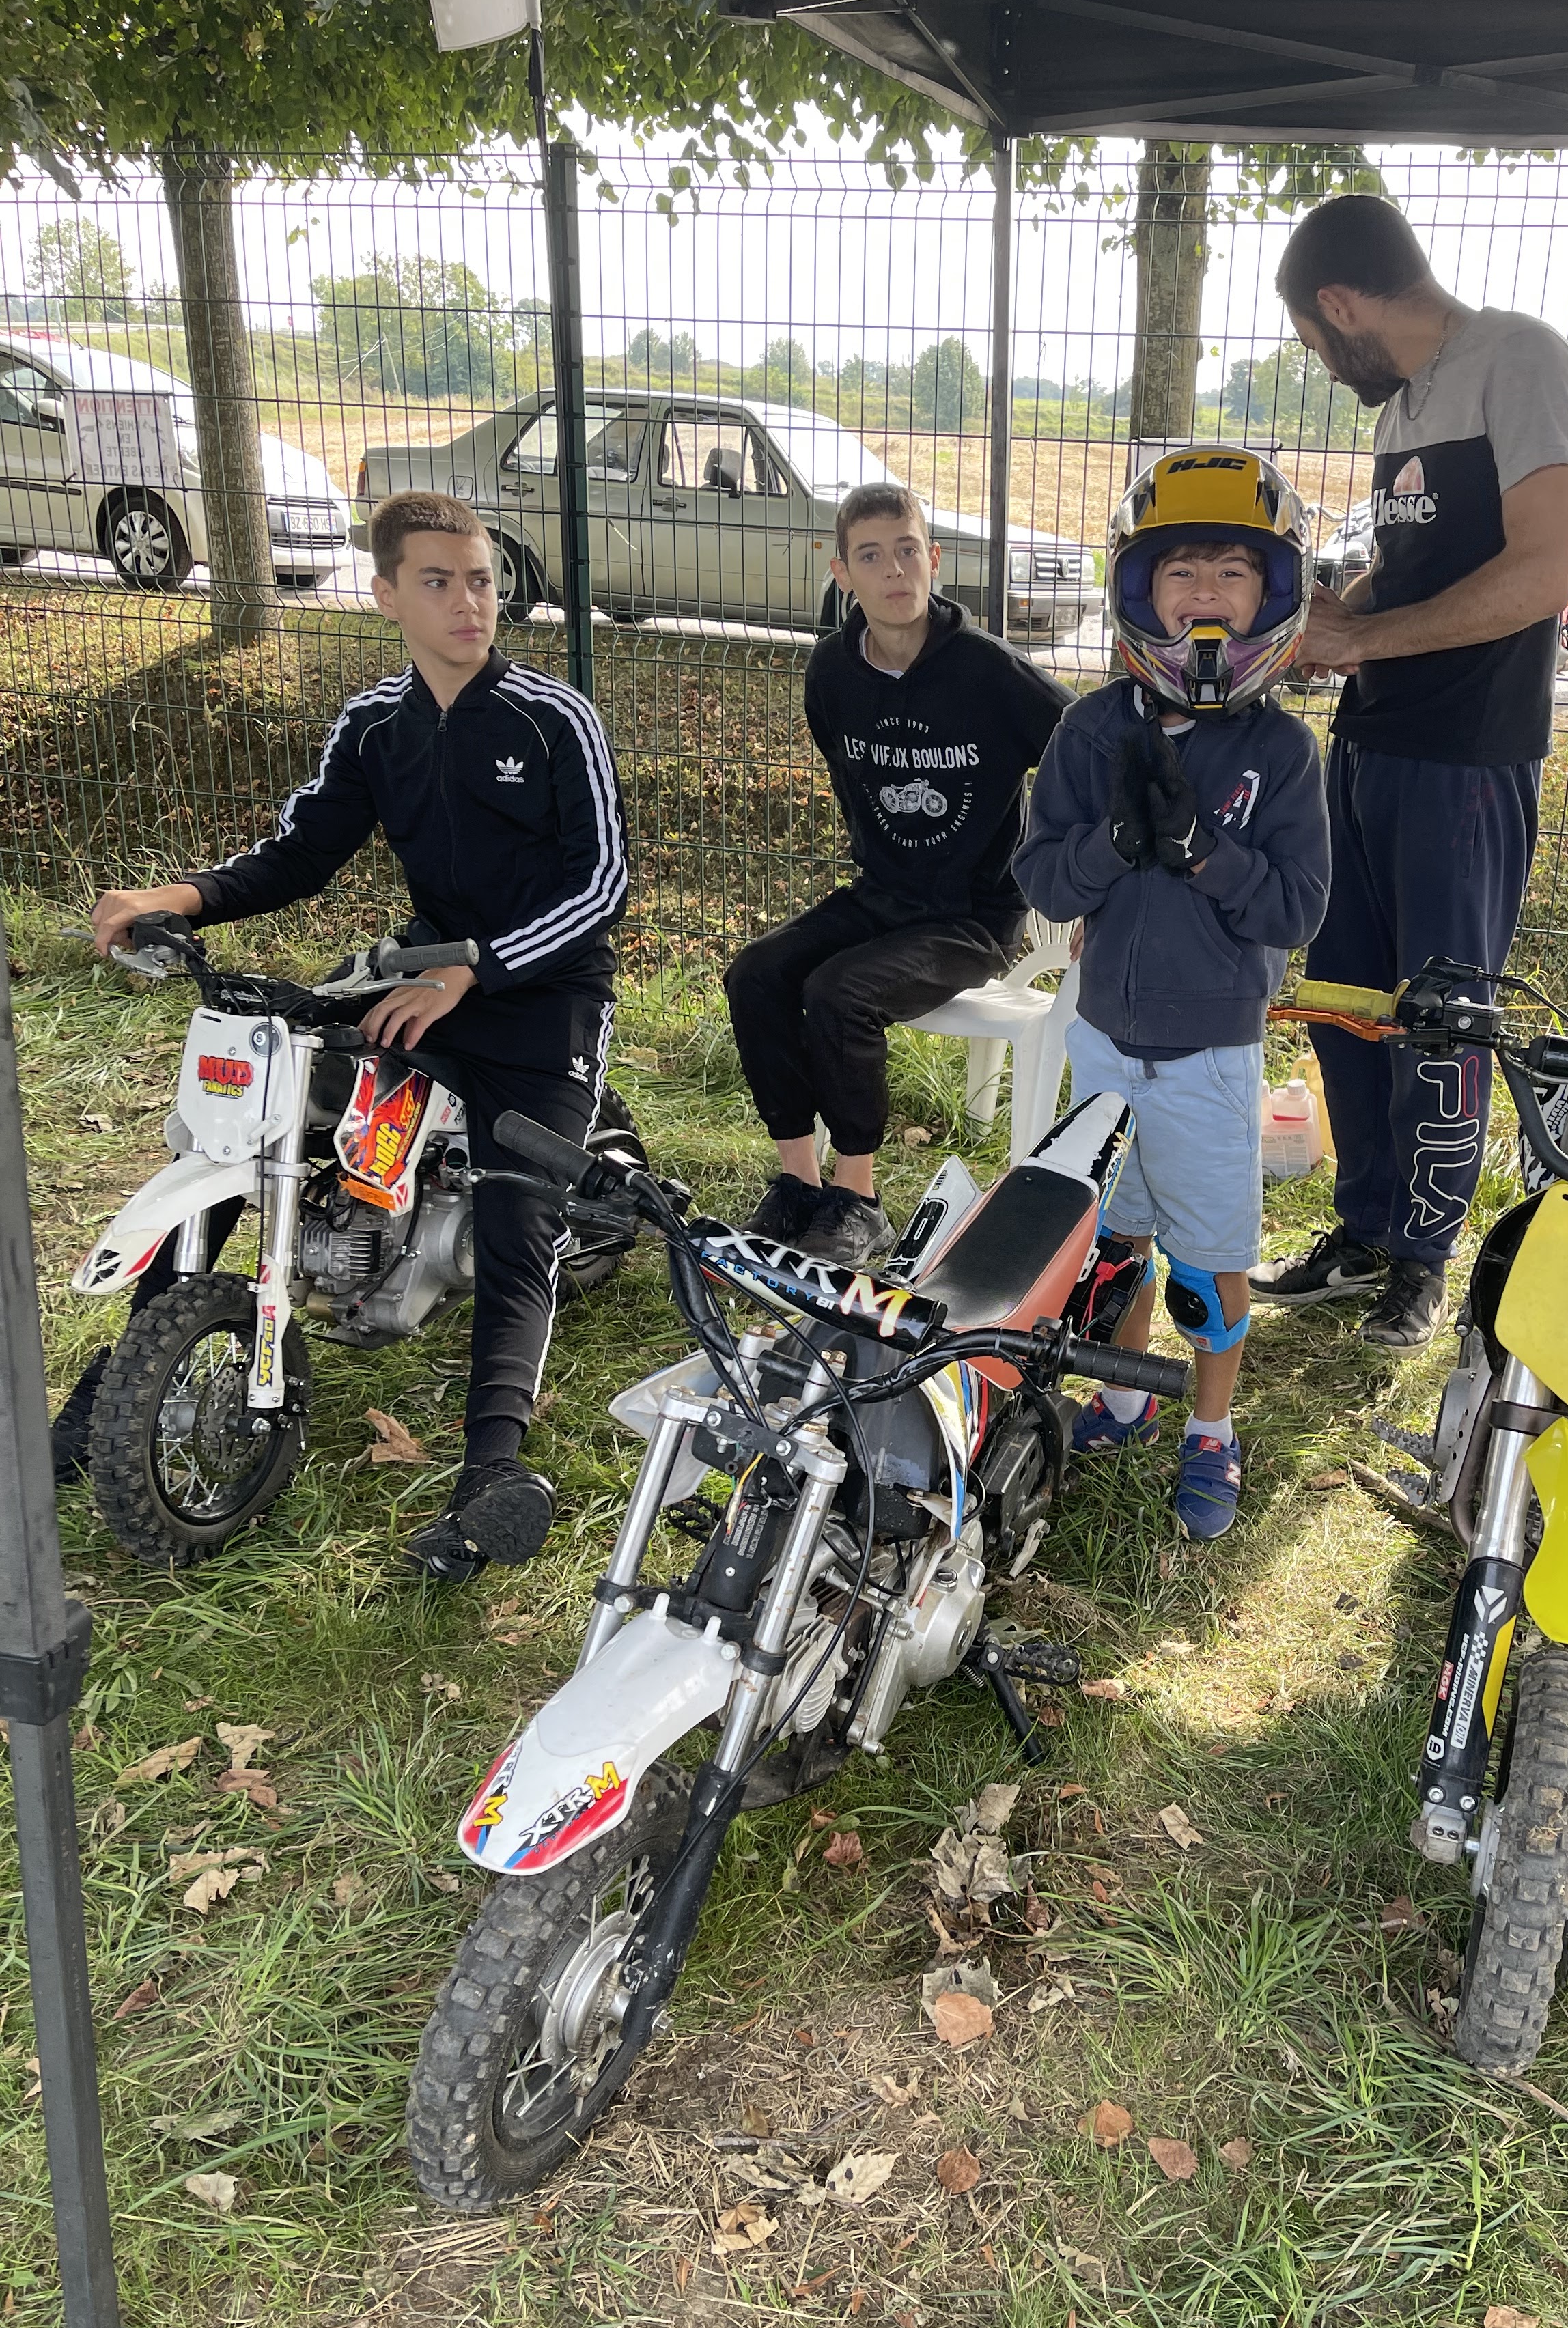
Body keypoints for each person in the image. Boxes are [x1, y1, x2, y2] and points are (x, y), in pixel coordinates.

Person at [71, 490, 626, 1581]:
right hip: (419, 979)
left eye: (481, 580)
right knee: (248, 1131)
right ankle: (102, 1401)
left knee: (519, 1216)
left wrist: (479, 968)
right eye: (439, 581)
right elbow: (299, 855)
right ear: (385, 596)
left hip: (543, 992)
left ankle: (492, 1475)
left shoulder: (555, 717)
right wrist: (177, 896)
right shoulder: (375, 725)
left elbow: (601, 886)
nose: (470, 602)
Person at [1251, 193, 1568, 1348]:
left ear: (1340, 303)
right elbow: (1414, 570)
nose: (1318, 359)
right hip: (1369, 744)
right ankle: (1362, 1230)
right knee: (1343, 1000)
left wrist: (1362, 639)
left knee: (1440, 1019)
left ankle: (1422, 1260)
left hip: (1467, 757)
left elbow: (1539, 577)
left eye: (1311, 337)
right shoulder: (1401, 404)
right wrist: (1326, 616)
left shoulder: (1518, 358)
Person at [1016, 449, 1328, 1541]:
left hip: (1209, 1057)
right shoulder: (1092, 730)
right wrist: (1110, 844)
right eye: (1181, 570)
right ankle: (1123, 1395)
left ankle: (1211, 1428)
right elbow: (1044, 880)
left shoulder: (1283, 751)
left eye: (1232, 572)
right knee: (1116, 1240)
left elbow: (1296, 909)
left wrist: (1207, 853)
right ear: (1139, 591)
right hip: (1104, 1040)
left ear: (1271, 596)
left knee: (1206, 1260)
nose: (1205, 592)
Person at [723, 483, 1068, 1267]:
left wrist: (1076, 874)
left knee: (839, 993)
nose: (894, 571)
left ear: (933, 559)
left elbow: (1085, 746)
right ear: (842, 573)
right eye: (871, 557)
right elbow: (844, 769)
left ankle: (860, 1200)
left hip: (972, 918)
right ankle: (799, 1185)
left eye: (908, 550)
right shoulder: (832, 671)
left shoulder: (987, 671)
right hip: (881, 897)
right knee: (756, 975)